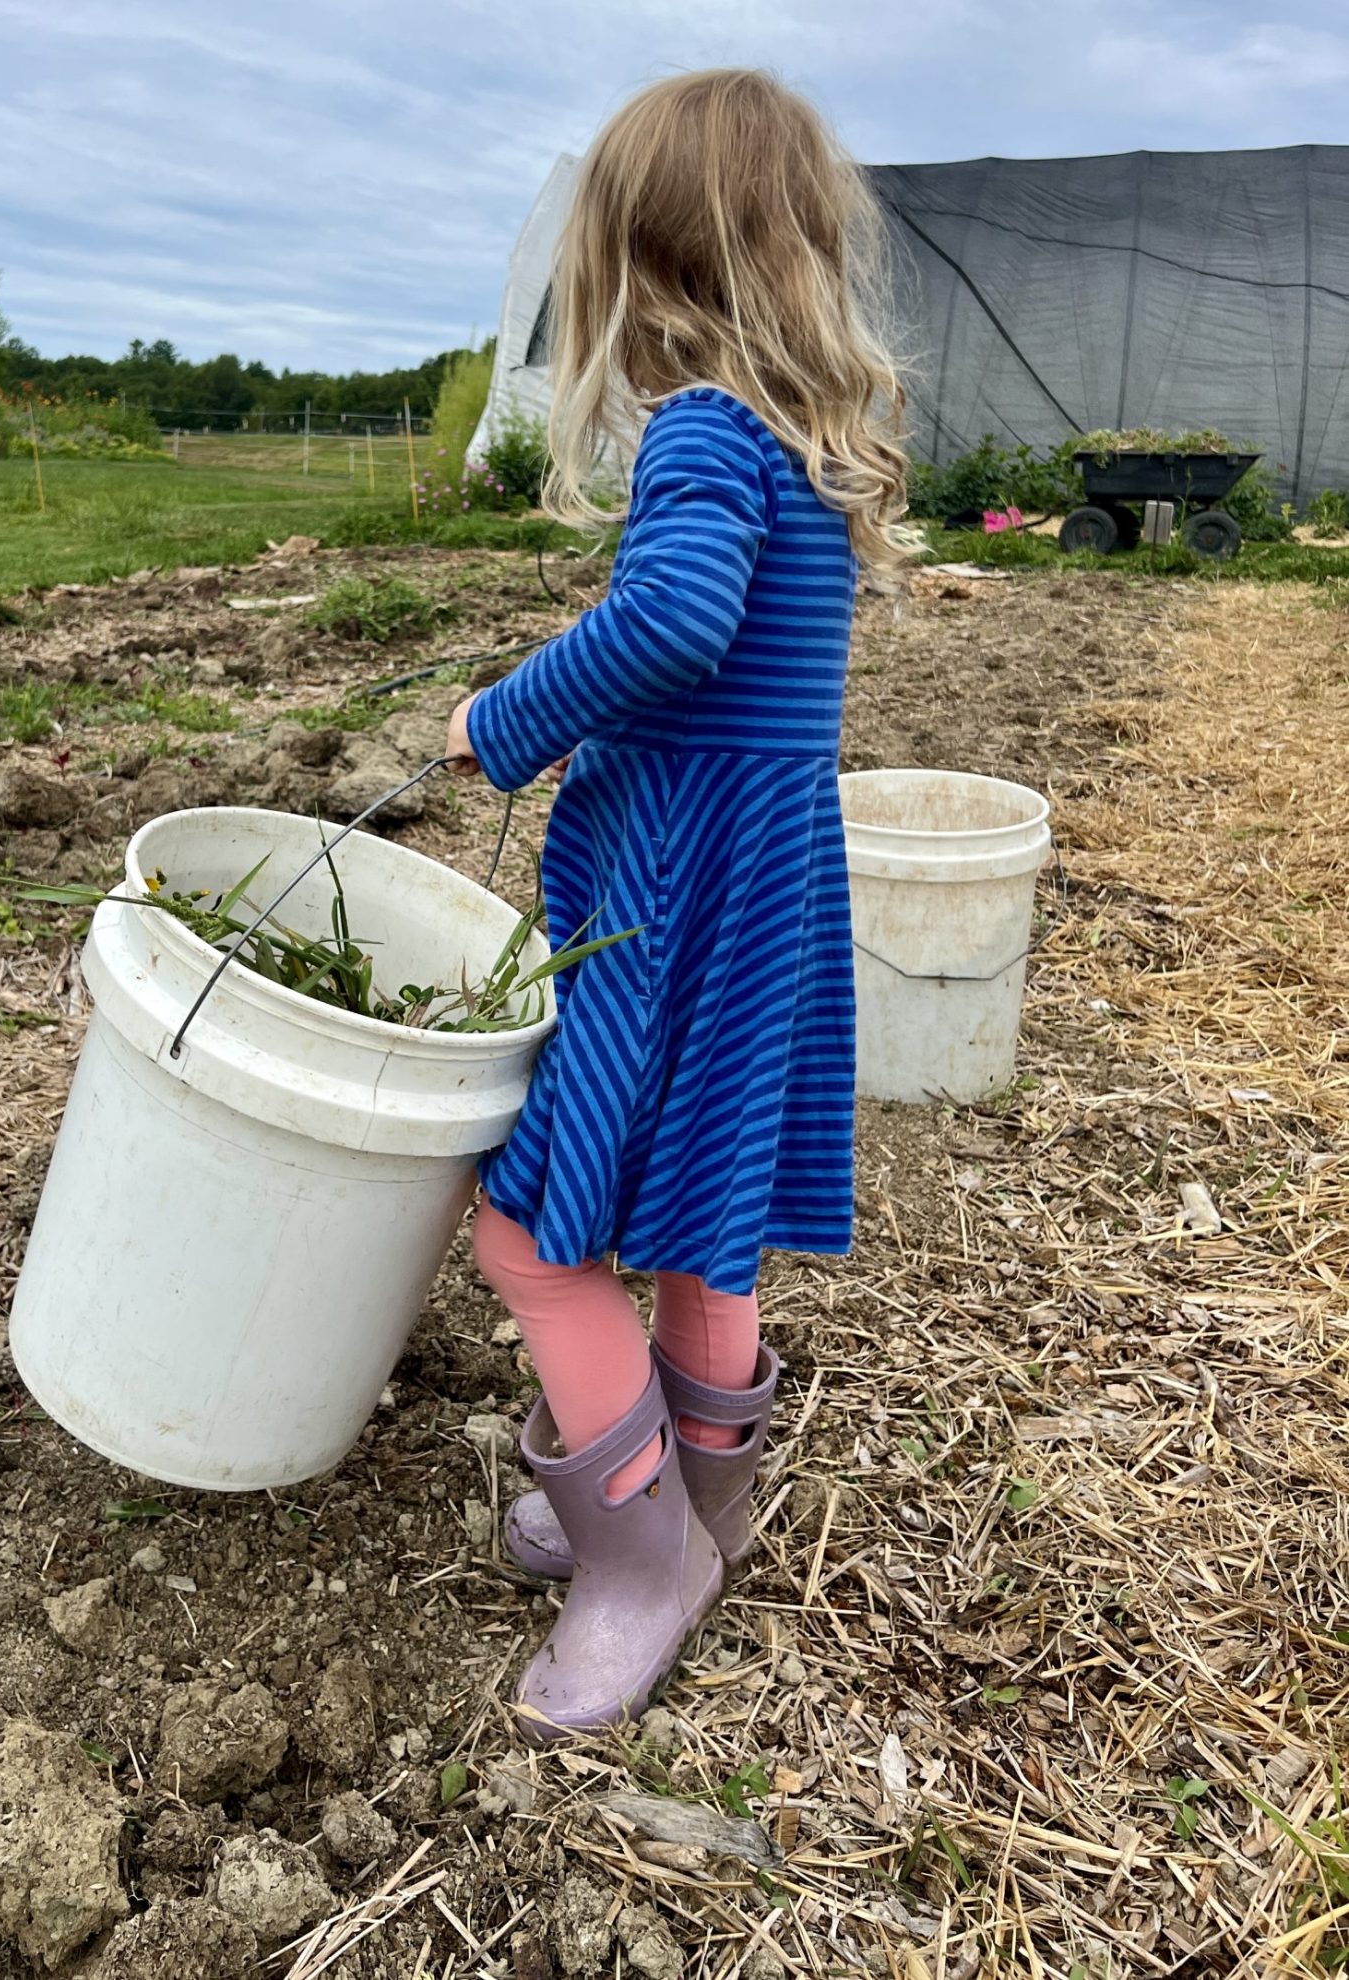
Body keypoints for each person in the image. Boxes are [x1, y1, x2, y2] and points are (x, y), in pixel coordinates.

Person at [443, 69, 912, 1743]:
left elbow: (673, 623)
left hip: (675, 900)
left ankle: (640, 1563)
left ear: (638, 259)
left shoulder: (705, 429)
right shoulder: (804, 443)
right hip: (766, 894)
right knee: (708, 1212)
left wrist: (499, 721)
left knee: (529, 1236)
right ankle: (699, 1507)